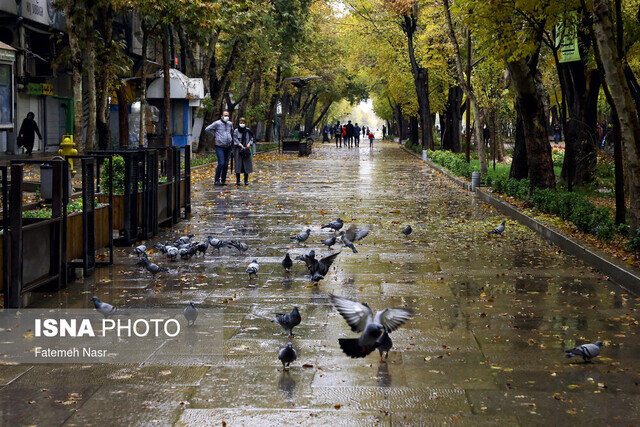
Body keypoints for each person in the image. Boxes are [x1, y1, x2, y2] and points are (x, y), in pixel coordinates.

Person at [205, 110, 234, 186]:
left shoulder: (230, 124)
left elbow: (232, 132)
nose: (226, 117)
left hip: (228, 146)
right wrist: (215, 135)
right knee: (221, 163)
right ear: (222, 116)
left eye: (227, 115)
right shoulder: (217, 123)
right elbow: (207, 129)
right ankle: (216, 180)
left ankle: (223, 180)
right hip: (219, 146)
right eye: (225, 115)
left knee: (226, 164)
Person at [233, 117, 254, 186]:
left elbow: (252, 138)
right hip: (238, 150)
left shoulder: (248, 130)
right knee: (238, 165)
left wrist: (249, 144)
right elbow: (235, 139)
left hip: (246, 149)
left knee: (246, 164)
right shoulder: (236, 131)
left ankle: (246, 180)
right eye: (241, 123)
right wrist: (240, 144)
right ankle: (238, 180)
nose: (242, 124)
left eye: (243, 123)